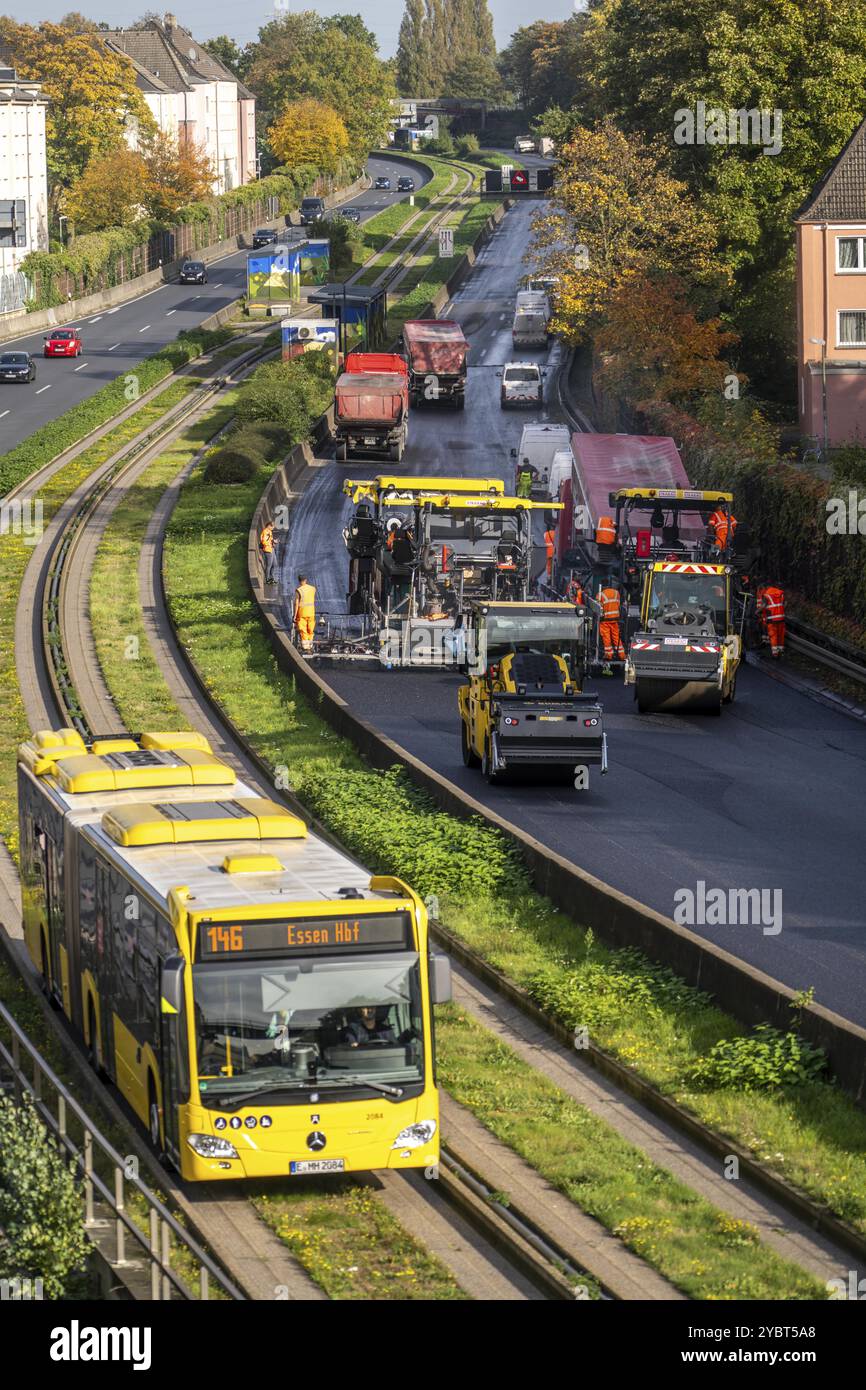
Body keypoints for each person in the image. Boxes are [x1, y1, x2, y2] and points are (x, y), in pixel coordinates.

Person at [597, 582, 626, 672]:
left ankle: (609, 655)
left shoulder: (600, 594)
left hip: (605, 620)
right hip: (615, 618)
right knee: (616, 637)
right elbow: (619, 603)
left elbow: (599, 607)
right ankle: (622, 655)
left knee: (606, 637)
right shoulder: (616, 592)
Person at [757, 584, 785, 657]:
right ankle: (781, 651)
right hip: (781, 618)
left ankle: (775, 653)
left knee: (773, 635)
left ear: (765, 588)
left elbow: (763, 606)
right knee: (780, 635)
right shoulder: (780, 593)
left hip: (772, 619)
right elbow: (784, 604)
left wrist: (757, 612)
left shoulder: (767, 595)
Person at [293, 573, 317, 653]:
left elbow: (296, 604)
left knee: (303, 630)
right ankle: (310, 644)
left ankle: (306, 647)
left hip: (302, 612)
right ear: (306, 580)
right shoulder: (313, 588)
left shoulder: (298, 590)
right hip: (311, 612)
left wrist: (295, 616)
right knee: (310, 629)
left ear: (299, 581)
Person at [259, 519, 277, 585]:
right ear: (269, 526)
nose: (273, 528)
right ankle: (267, 580)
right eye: (272, 527)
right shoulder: (265, 532)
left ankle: (271, 578)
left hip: (272, 549)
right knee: (269, 565)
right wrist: (270, 544)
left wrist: (274, 541)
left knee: (275, 565)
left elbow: (270, 539)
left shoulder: (269, 531)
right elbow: (264, 541)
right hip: (268, 550)